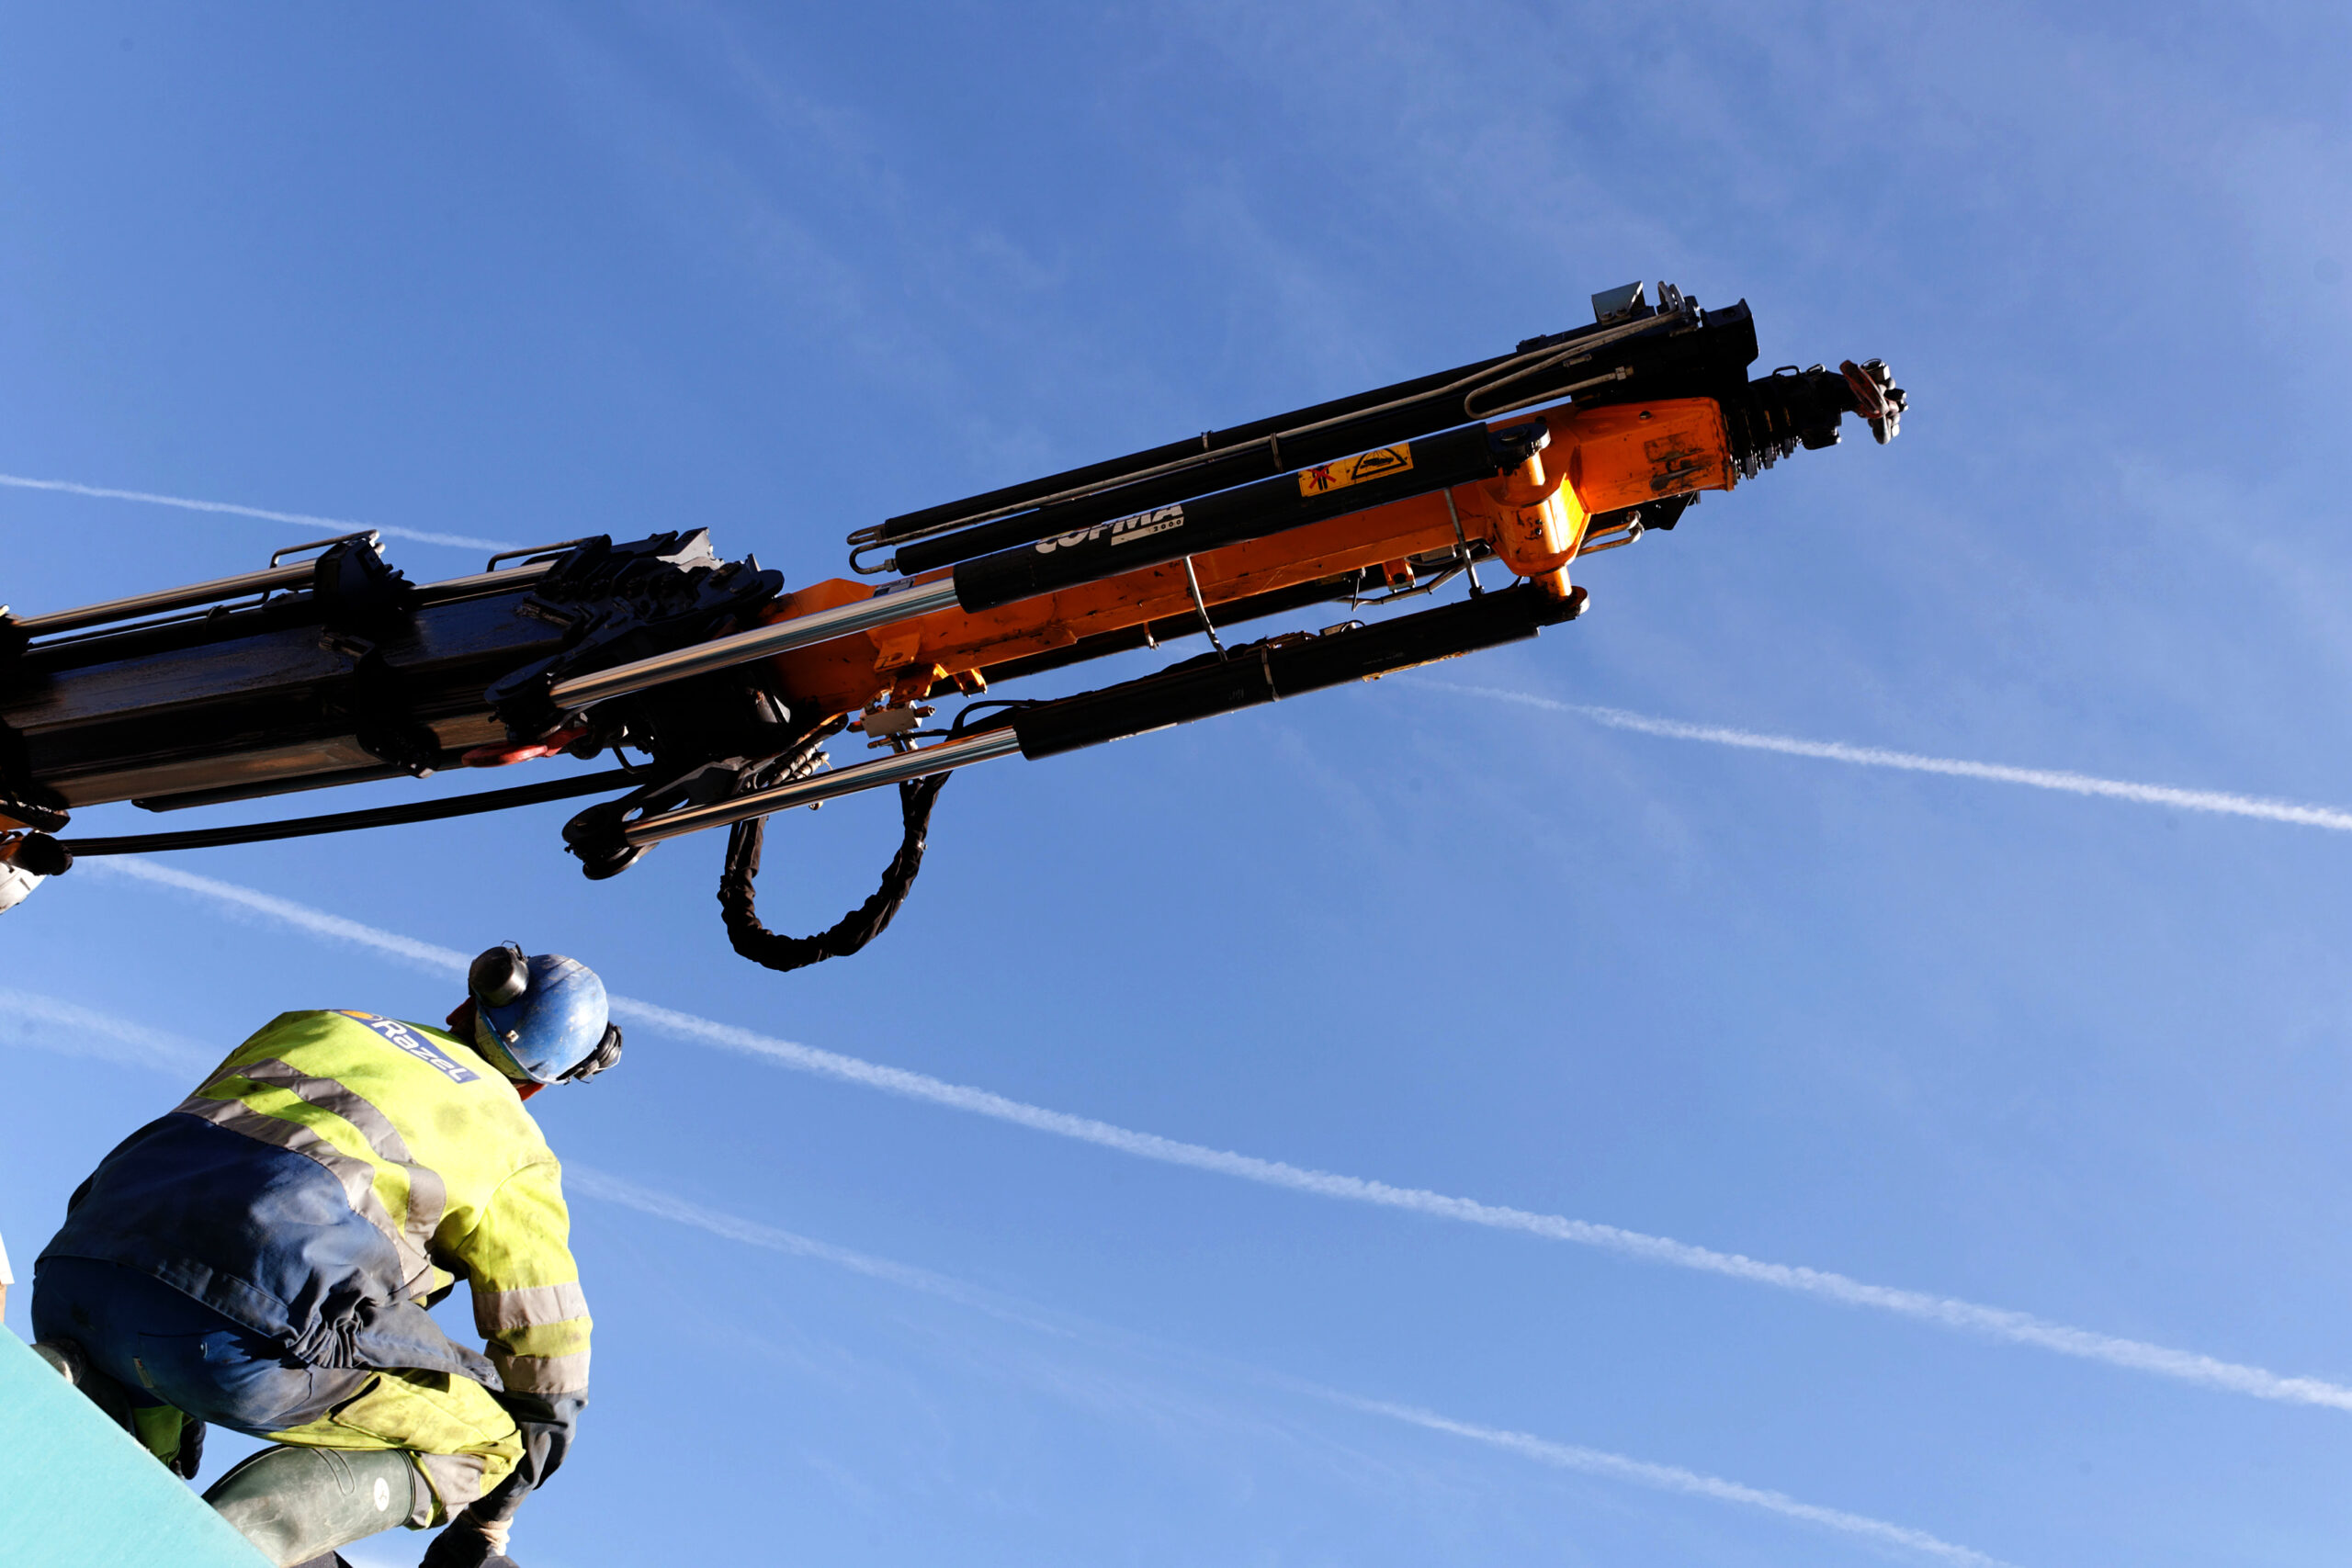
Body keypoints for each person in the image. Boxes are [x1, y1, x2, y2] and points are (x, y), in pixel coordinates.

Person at [29, 945, 620, 1568]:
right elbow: (550, 1359)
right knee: (492, 1438)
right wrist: (488, 1523)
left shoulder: (323, 1023)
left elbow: (205, 1181)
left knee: (141, 1467)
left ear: (465, 1004)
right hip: (238, 1329)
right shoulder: (516, 1147)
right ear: (541, 1082)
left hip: (82, 1273)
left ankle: (73, 1386)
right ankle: (237, 1544)